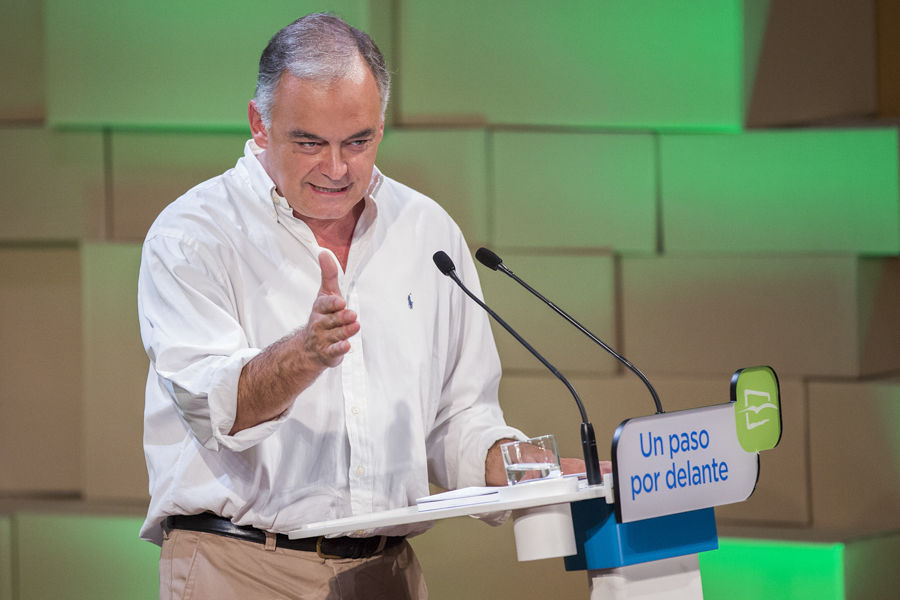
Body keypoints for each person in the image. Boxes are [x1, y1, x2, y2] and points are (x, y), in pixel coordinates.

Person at [137, 12, 589, 599]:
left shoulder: (426, 231)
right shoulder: (192, 235)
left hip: (387, 571)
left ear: (381, 125)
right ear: (259, 122)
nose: (335, 168)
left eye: (358, 141)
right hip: (240, 567)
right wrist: (305, 353)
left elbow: (459, 418)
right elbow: (213, 410)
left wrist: (524, 464)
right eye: (308, 143)